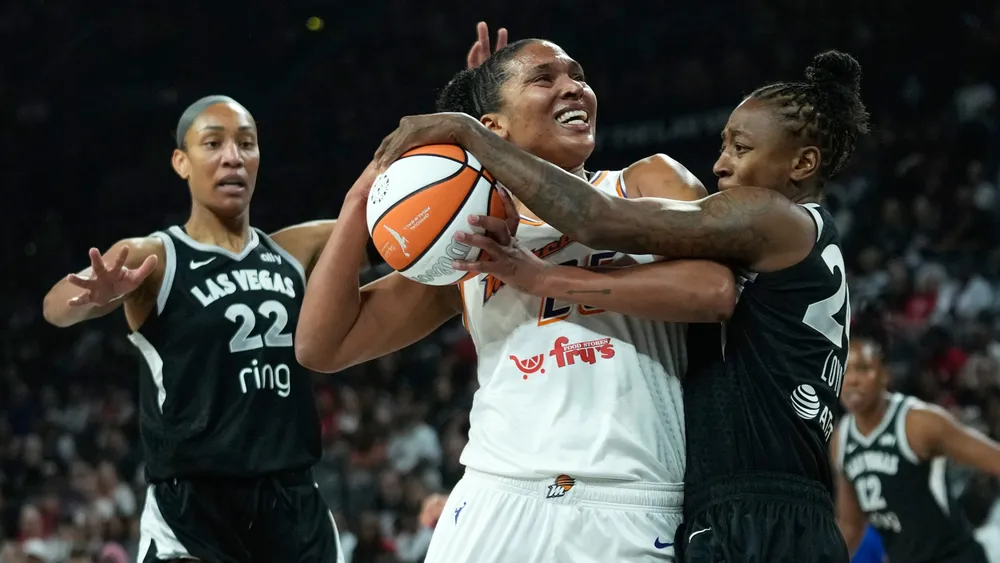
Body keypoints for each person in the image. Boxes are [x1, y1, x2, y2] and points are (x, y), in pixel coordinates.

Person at [374, 50, 872, 562]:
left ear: (803, 163)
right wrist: (498, 123)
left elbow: (599, 218)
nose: (720, 165)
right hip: (750, 503)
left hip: (757, 509)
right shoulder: (796, 240)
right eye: (724, 146)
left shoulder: (775, 217)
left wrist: (475, 137)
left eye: (741, 149)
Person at [297, 39, 736, 562]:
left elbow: (713, 291)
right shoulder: (468, 238)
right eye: (544, 78)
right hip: (495, 497)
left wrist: (544, 278)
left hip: (628, 498)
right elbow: (322, 346)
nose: (573, 87)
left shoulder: (643, 182)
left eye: (578, 75)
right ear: (492, 127)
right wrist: (361, 199)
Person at [42, 96, 346, 563]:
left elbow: (396, 224)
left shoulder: (294, 250)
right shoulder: (157, 257)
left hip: (292, 506)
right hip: (193, 513)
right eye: (213, 143)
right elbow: (55, 308)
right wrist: (90, 299)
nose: (233, 157)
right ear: (181, 162)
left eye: (247, 143)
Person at [833, 317, 1000, 562]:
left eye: (863, 369)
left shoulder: (918, 423)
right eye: (844, 371)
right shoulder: (841, 439)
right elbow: (851, 525)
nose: (852, 380)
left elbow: (995, 460)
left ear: (884, 375)